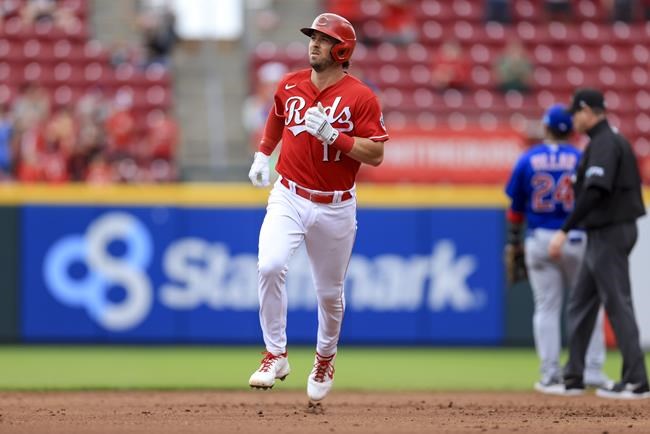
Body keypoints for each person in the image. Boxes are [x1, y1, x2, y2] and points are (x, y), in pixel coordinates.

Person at [246, 12, 388, 402]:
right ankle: (275, 354)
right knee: (270, 264)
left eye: (323, 39)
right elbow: (276, 117)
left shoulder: (361, 96)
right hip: (289, 193)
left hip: (335, 205)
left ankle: (325, 357)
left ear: (342, 49)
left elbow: (375, 154)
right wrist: (263, 155)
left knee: (329, 293)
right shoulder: (290, 84)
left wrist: (335, 136)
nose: (314, 43)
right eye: (313, 36)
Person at [548, 88, 650, 399]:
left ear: (588, 111)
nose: (573, 120)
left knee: (618, 304)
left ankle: (636, 381)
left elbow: (595, 191)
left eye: (576, 113)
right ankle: (574, 377)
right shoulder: (602, 141)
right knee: (580, 302)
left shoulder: (606, 142)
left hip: (611, 231)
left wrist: (564, 230)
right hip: (601, 233)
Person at [505, 104, 612, 393]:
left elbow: (515, 209)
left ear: (546, 128)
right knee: (590, 306)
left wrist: (514, 241)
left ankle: (550, 375)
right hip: (576, 238)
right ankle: (592, 371)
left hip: (539, 238)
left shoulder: (528, 158)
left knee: (546, 308)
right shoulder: (582, 156)